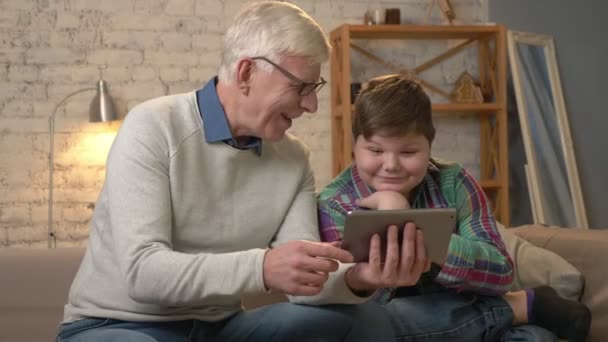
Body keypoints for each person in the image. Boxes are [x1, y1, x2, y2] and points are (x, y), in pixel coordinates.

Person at [55, 2, 399, 341]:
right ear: (247, 73)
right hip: (116, 325)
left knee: (356, 318)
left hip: (220, 328)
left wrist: (358, 277)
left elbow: (304, 284)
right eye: (301, 87)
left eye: (315, 89)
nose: (311, 106)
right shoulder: (152, 126)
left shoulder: (294, 158)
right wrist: (263, 268)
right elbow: (143, 274)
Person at [317, 74, 592, 342]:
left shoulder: (453, 182)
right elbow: (354, 304)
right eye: (375, 151)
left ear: (429, 145)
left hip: (460, 306)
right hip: (389, 320)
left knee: (536, 337)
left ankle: (507, 316)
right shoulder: (335, 203)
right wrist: (392, 217)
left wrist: (424, 237)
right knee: (358, 328)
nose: (391, 165)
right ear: (354, 146)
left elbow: (500, 273)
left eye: (408, 152)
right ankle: (518, 308)